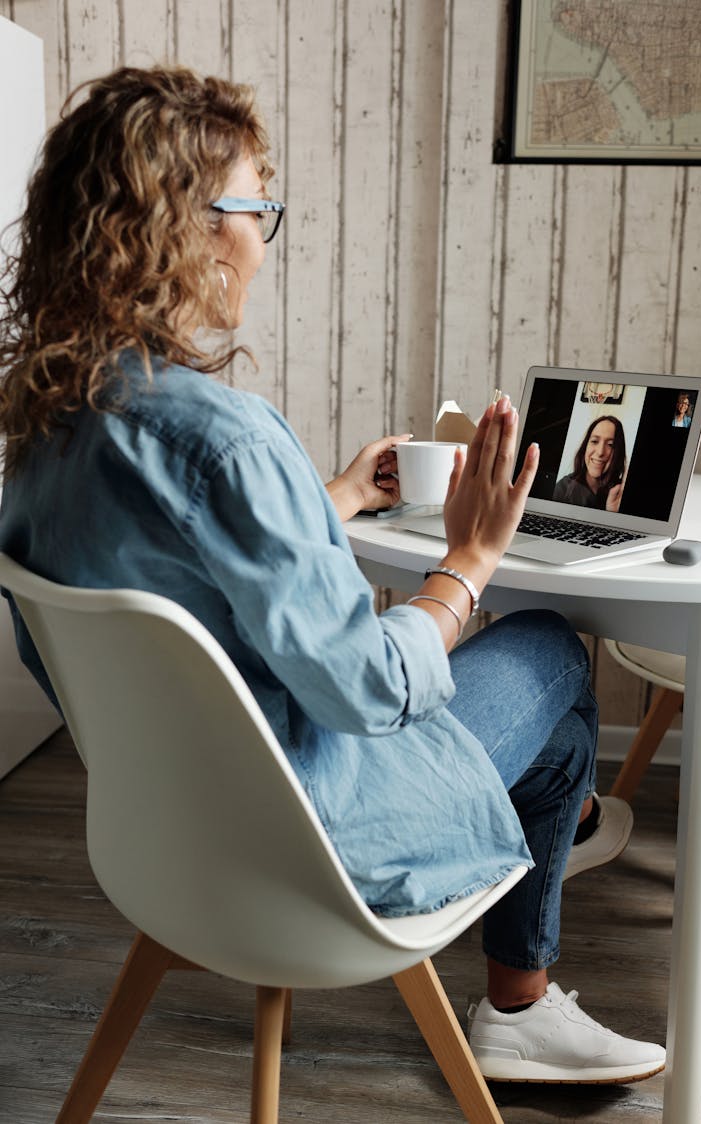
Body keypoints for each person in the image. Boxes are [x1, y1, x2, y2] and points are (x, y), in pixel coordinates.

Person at [0, 65, 664, 1084]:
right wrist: (469, 560)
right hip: (320, 840)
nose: (262, 237)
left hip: (168, 846)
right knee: (550, 656)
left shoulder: (46, 427)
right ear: (180, 227)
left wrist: (331, 499)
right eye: (256, 204)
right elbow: (369, 689)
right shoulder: (225, 441)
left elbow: (172, 578)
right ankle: (524, 978)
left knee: (550, 743)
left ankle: (555, 809)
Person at [553, 415, 627, 512]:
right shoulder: (563, 488)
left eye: (610, 445)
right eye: (594, 441)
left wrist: (613, 514)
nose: (600, 452)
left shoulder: (620, 493)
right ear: (585, 447)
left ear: (618, 452)